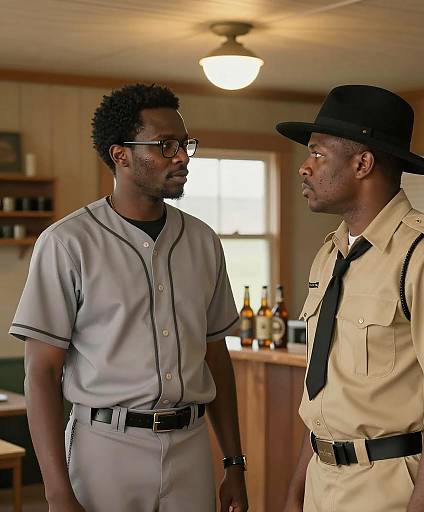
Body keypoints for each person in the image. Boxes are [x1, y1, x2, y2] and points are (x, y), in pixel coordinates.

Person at [9, 83, 248, 512]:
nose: (182, 156)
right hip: (104, 447)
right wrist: (57, 492)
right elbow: (41, 374)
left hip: (191, 447)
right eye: (166, 145)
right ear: (120, 154)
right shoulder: (67, 243)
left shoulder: (203, 241)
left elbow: (216, 357)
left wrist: (234, 463)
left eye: (185, 144)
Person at [275, 85, 424, 512]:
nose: (304, 168)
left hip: (393, 487)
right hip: (323, 477)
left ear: (362, 163)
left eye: (317, 153)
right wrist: (297, 491)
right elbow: (326, 391)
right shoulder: (330, 254)